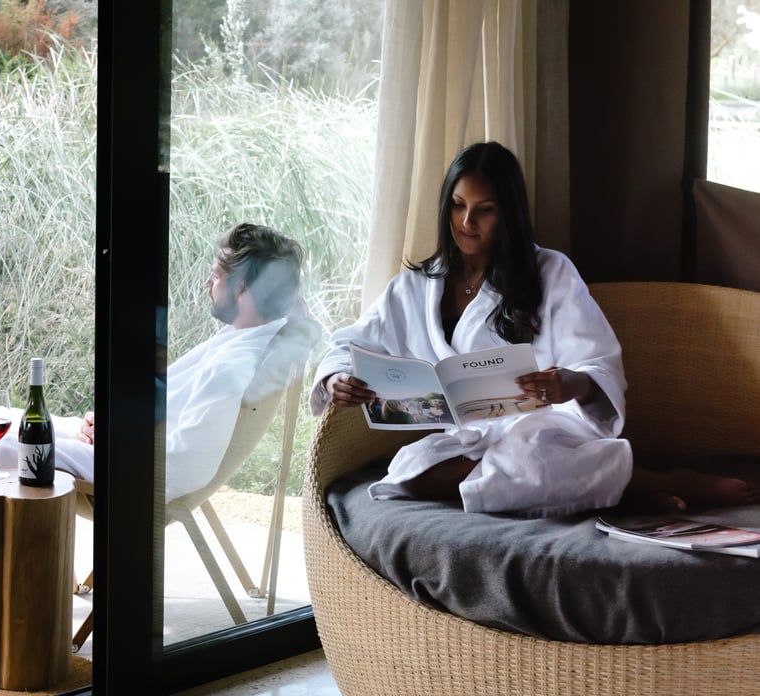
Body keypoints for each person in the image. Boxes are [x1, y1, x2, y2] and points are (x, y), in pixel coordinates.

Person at [0, 222, 309, 620]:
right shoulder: (247, 336)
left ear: (244, 288)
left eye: (217, 275)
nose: (209, 283)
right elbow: (174, 414)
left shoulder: (235, 365)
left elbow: (186, 461)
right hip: (125, 449)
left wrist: (121, 438)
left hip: (132, 474)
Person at [312, 140, 759, 517]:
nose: (467, 223)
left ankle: (663, 481)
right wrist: (336, 379)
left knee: (532, 457)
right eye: (458, 206)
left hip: (545, 428)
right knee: (413, 471)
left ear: (508, 214)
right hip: (467, 437)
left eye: (484, 210)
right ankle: (622, 490)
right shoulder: (415, 285)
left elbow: (597, 360)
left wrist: (571, 384)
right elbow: (351, 341)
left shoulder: (550, 272)